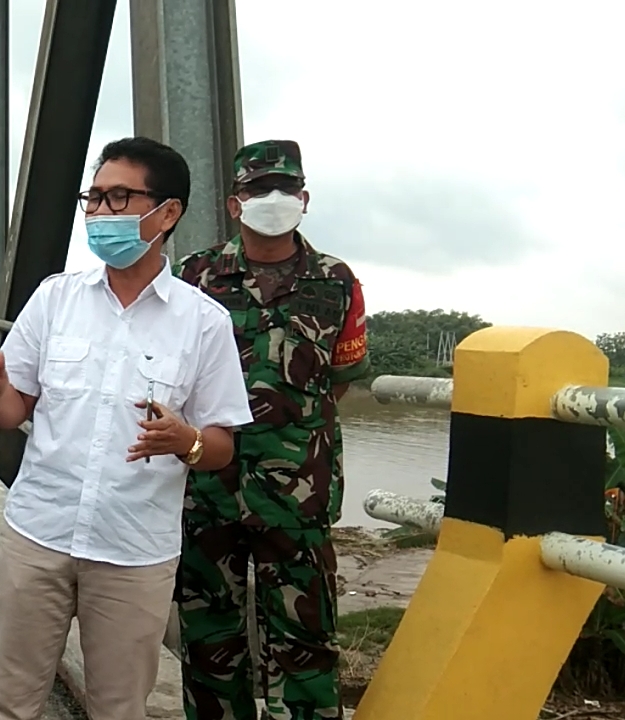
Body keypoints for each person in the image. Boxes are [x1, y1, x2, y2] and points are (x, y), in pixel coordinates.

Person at [0, 136, 254, 720]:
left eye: (117, 198)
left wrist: (186, 441)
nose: (98, 213)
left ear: (166, 212)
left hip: (133, 551)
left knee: (118, 708)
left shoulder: (204, 323)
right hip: (37, 534)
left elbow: (221, 447)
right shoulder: (54, 299)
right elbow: (18, 406)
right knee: (11, 704)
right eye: (91, 199)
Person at [173, 139, 372, 720]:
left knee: (306, 642)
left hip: (298, 495)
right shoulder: (195, 275)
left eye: (285, 189)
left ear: (304, 199)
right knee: (211, 640)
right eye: (260, 189)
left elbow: (339, 377)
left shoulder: (335, 280)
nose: (274, 199)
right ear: (236, 204)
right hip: (207, 488)